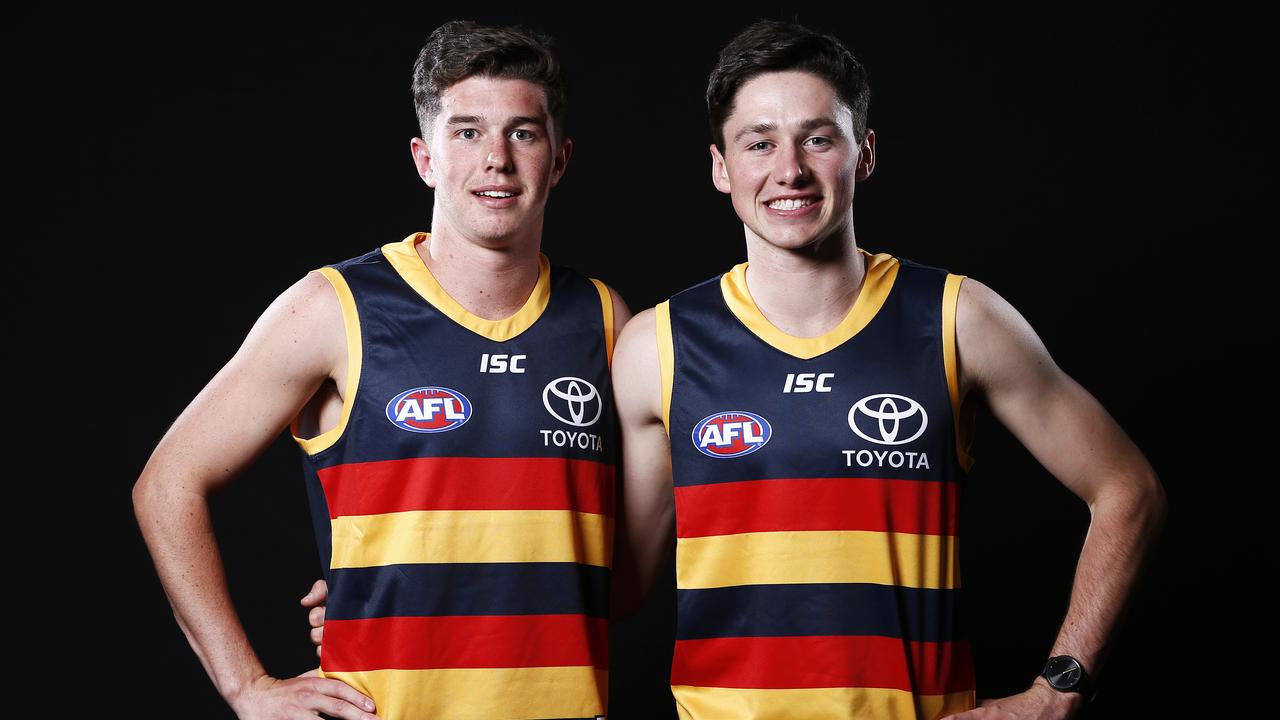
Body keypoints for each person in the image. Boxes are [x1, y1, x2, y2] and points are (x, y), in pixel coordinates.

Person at [605, 20, 1167, 720]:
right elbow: (617, 588)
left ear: (863, 153)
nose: (789, 170)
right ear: (722, 167)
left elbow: (1128, 490)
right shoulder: (657, 343)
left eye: (818, 138)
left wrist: (1060, 689)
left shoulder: (959, 318)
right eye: (759, 143)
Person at [134, 20, 628, 720]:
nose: (497, 159)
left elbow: (622, 556)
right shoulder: (334, 309)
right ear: (425, 158)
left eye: (523, 132)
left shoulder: (604, 319)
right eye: (466, 132)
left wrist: (398, 586)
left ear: (560, 158)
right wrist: (245, 685)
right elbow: (167, 484)